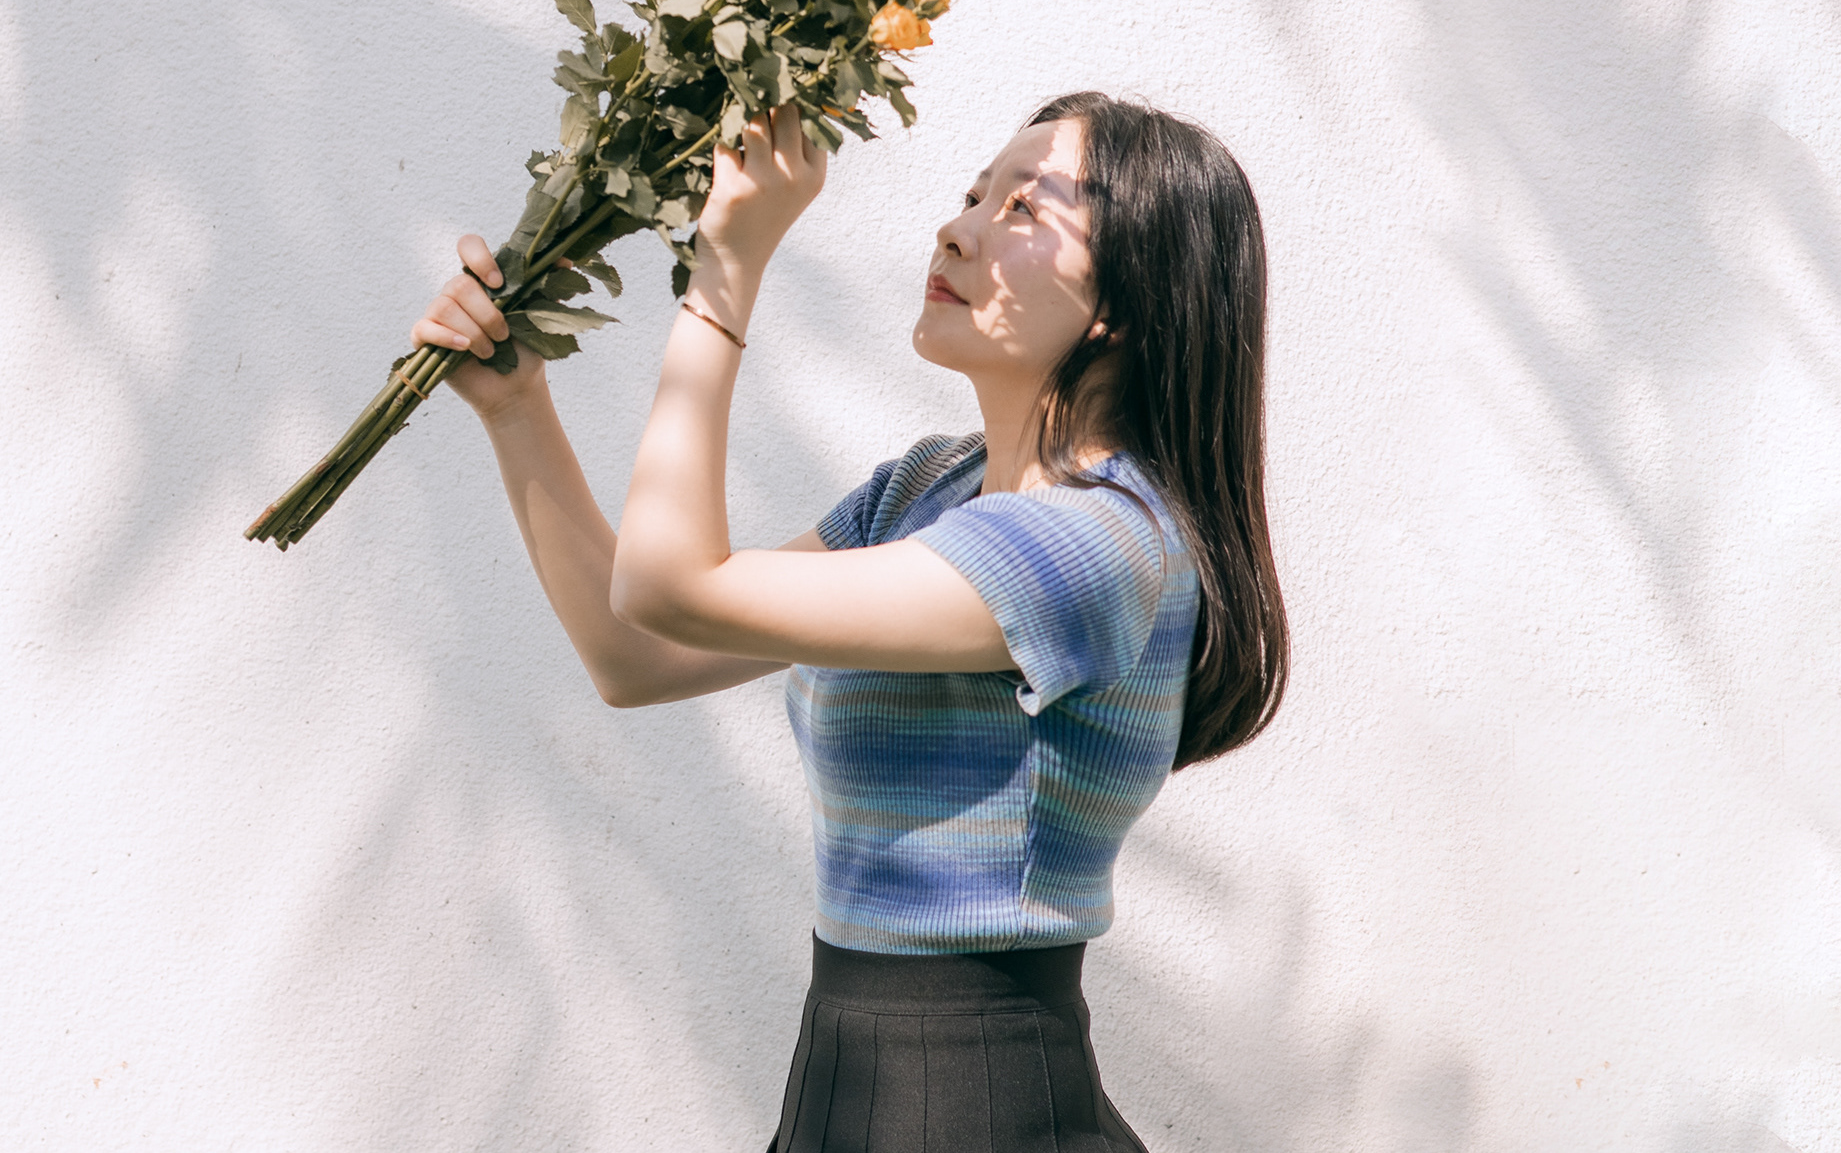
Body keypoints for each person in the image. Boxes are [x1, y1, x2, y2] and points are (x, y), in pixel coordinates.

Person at [410, 91, 1289, 1152]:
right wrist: (517, 406)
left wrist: (727, 269)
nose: (957, 227)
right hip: (844, 1082)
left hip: (973, 1100)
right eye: (974, 193)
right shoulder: (928, 487)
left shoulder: (1097, 545)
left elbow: (673, 587)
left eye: (1023, 207)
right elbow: (638, 649)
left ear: (1129, 303)